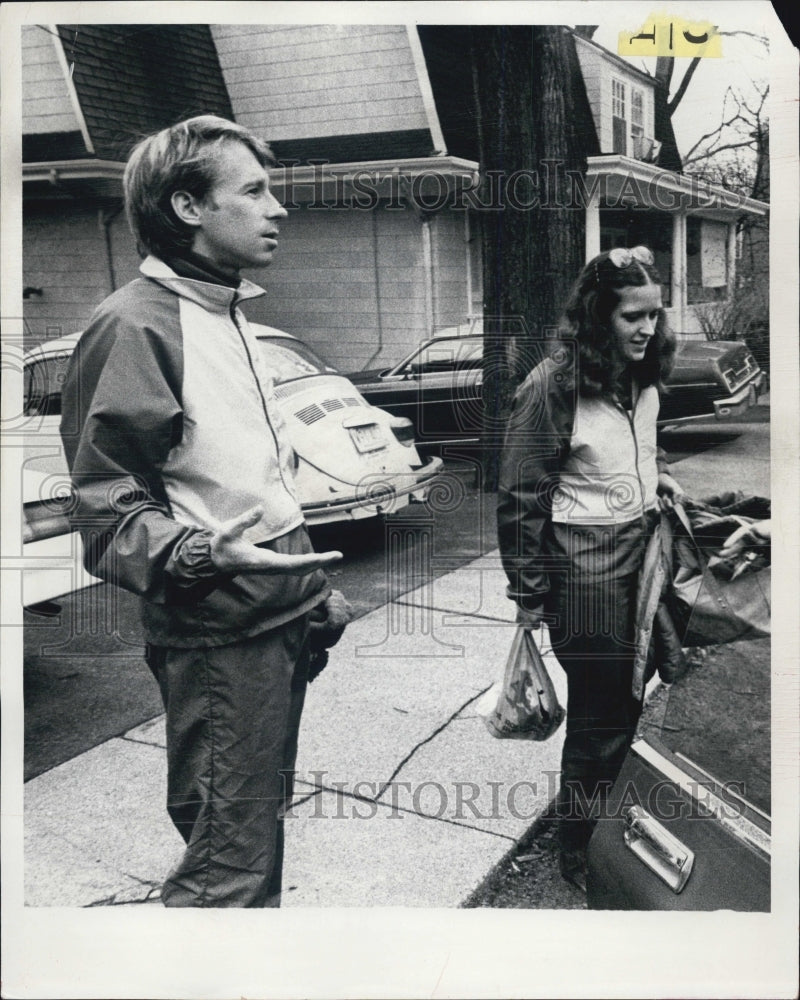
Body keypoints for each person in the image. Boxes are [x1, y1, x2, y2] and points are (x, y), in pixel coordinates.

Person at [60, 115, 350, 907]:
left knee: (248, 843)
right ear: (188, 206)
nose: (277, 208)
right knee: (228, 868)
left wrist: (312, 591)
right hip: (222, 640)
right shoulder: (135, 325)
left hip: (278, 621)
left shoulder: (229, 314)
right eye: (253, 191)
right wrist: (194, 554)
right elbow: (106, 508)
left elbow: (243, 482)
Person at [497, 246, 685, 891]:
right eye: (633, 316)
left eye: (655, 315)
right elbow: (522, 495)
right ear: (598, 316)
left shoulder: (643, 374)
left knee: (630, 701)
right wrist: (529, 596)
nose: (647, 329)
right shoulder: (552, 385)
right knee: (602, 716)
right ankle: (577, 849)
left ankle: (603, 824)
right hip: (587, 572)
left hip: (643, 555)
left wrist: (656, 477)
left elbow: (632, 453)